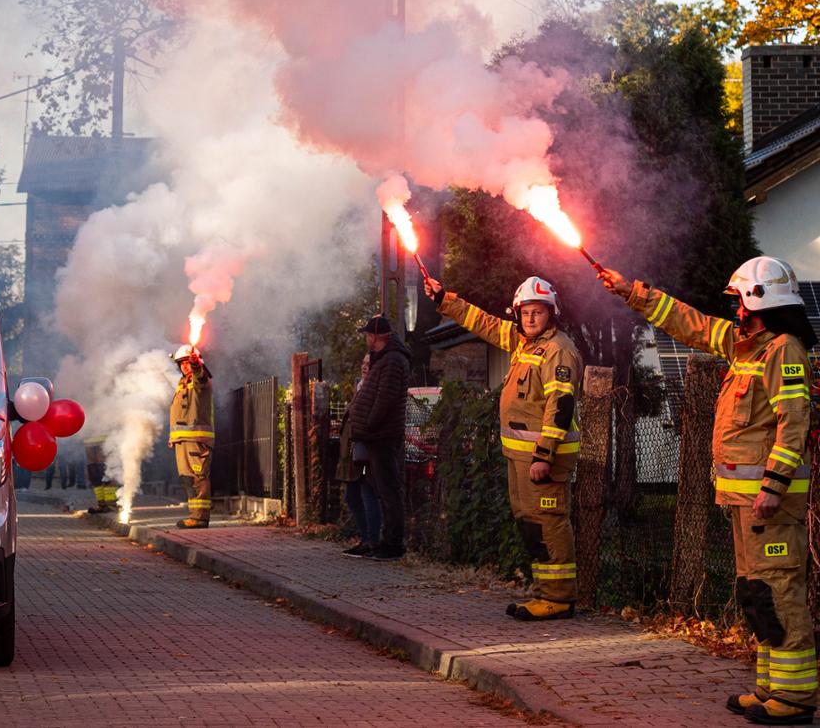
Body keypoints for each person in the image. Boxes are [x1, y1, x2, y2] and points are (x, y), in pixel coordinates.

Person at [599, 257, 816, 725]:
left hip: (769, 501)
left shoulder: (784, 350)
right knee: (757, 592)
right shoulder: (746, 347)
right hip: (747, 500)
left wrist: (774, 485)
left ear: (758, 299)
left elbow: (793, 423)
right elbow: (689, 322)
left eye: (738, 299)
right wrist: (630, 291)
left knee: (780, 591)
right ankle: (770, 687)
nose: (733, 308)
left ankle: (795, 699)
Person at [426, 275, 583, 616]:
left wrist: (544, 455)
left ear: (551, 314)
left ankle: (559, 599)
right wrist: (444, 300)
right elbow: (481, 322)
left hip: (544, 459)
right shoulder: (522, 342)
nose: (529, 319)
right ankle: (545, 593)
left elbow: (561, 405)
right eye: (524, 312)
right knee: (531, 523)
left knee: (549, 521)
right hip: (520, 456)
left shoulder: (558, 350)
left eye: (537, 312)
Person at [346, 316, 410, 561]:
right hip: (376, 435)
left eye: (367, 335)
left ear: (375, 336)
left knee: (389, 490)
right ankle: (385, 541)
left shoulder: (392, 360)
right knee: (381, 490)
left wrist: (370, 423)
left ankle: (393, 544)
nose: (366, 339)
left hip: (382, 435)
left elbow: (386, 397)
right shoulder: (385, 359)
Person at [339, 350, 382, 558]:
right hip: (355, 451)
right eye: (363, 362)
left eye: (368, 363)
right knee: (353, 495)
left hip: (366, 449)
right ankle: (366, 538)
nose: (364, 366)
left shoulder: (372, 390)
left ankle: (371, 541)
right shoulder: (361, 387)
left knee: (366, 494)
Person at [168, 346, 214, 528]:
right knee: (187, 478)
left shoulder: (201, 380)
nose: (185, 366)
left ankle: (201, 517)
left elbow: (199, 375)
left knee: (198, 477)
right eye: (182, 363)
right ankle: (194, 515)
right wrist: (173, 437)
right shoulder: (182, 384)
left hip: (197, 440)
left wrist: (196, 364)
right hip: (183, 440)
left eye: (188, 362)